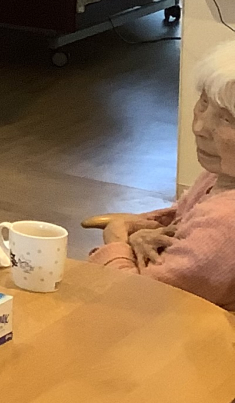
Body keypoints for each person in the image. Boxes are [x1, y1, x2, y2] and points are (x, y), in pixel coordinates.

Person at [91, 39, 235, 306]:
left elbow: (133, 301)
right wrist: (140, 233)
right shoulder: (220, 175)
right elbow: (178, 225)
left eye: (227, 119)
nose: (200, 127)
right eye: (203, 103)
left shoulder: (225, 223)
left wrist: (116, 237)